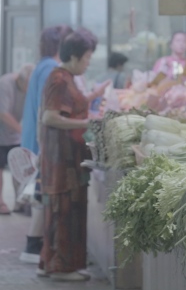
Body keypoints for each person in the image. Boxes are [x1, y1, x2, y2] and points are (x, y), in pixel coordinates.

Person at [38, 30, 107, 281]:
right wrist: (87, 122)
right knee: (64, 211)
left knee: (61, 211)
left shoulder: (64, 77)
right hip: (62, 160)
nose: (88, 62)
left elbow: (64, 109)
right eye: (87, 58)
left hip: (65, 158)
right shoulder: (60, 79)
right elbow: (50, 117)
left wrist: (92, 98)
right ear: (75, 56)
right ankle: (62, 268)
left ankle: (49, 263)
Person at [19, 25, 73, 264]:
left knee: (41, 197)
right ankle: (34, 247)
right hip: (41, 141)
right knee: (42, 197)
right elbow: (48, 110)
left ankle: (37, 246)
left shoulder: (41, 65)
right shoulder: (52, 69)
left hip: (33, 138)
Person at [0, 64, 34, 215]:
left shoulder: (28, 90)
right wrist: (22, 130)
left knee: (19, 167)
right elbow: (2, 113)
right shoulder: (5, 84)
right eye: (29, 85)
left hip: (14, 135)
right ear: (21, 80)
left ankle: (20, 201)